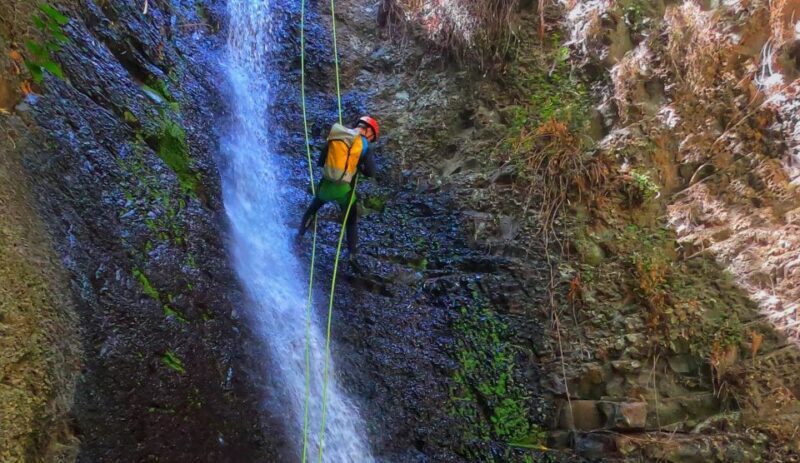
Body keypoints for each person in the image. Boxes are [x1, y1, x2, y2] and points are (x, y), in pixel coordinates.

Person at [297, 116, 380, 267]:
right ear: (369, 131)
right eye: (372, 136)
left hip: (326, 186)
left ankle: (300, 234)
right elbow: (371, 172)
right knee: (351, 219)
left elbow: (321, 161)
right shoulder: (364, 145)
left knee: (313, 208)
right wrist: (358, 167)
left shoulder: (338, 135)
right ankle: (352, 254)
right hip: (344, 190)